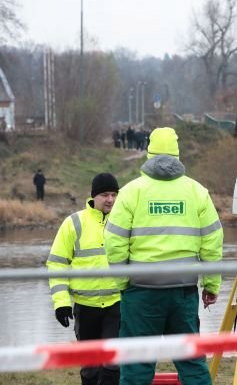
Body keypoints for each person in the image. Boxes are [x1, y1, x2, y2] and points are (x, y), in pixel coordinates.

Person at [104, 127, 223, 385]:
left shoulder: (131, 192)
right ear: (178, 154)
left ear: (149, 151)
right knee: (192, 363)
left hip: (141, 292)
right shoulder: (197, 192)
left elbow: (114, 242)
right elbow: (213, 243)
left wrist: (123, 282)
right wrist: (211, 285)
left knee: (136, 366)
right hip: (183, 292)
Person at [46, 173, 121, 385]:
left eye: (114, 194)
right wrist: (61, 304)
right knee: (90, 367)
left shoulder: (125, 221)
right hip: (85, 307)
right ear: (93, 196)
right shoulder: (73, 223)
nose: (110, 200)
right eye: (105, 194)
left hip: (117, 304)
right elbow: (57, 263)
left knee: (112, 363)